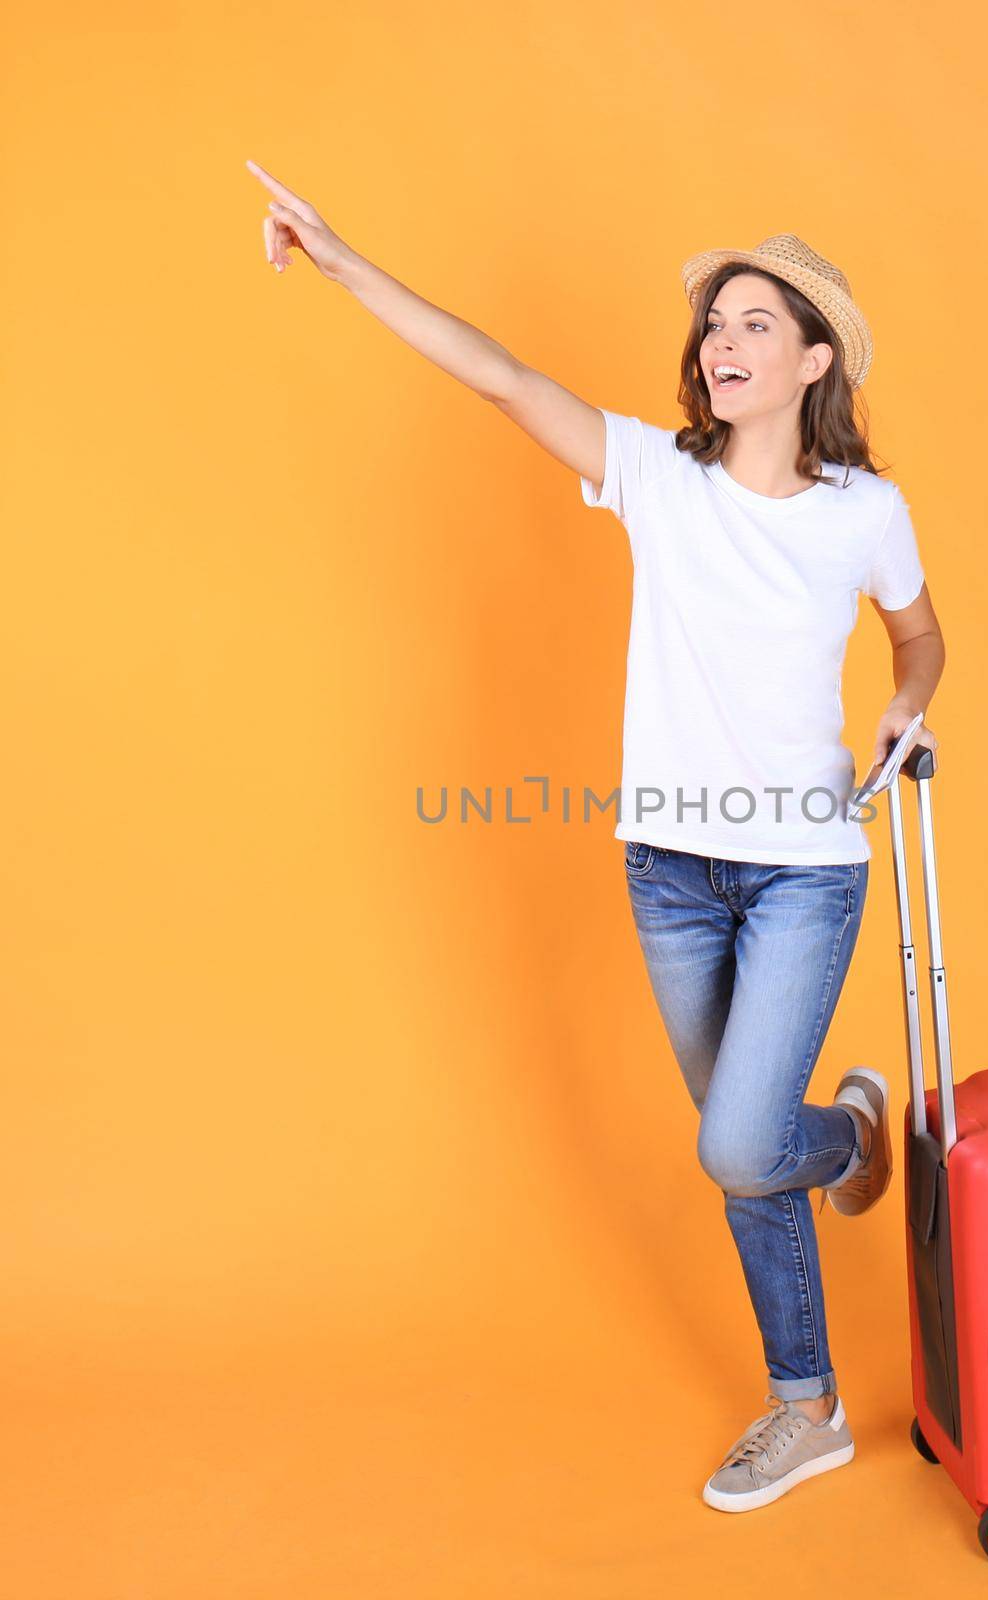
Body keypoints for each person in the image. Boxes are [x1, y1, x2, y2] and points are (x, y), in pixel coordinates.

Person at [247, 168, 946, 1512]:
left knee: (743, 1147)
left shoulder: (865, 511)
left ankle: (847, 1147)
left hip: (805, 866)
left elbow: (917, 634)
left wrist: (907, 705)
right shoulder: (654, 476)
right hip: (668, 874)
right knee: (746, 1159)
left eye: (753, 323)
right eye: (712, 324)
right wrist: (339, 258)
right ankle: (808, 1396)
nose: (720, 343)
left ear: (813, 359)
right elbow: (499, 374)